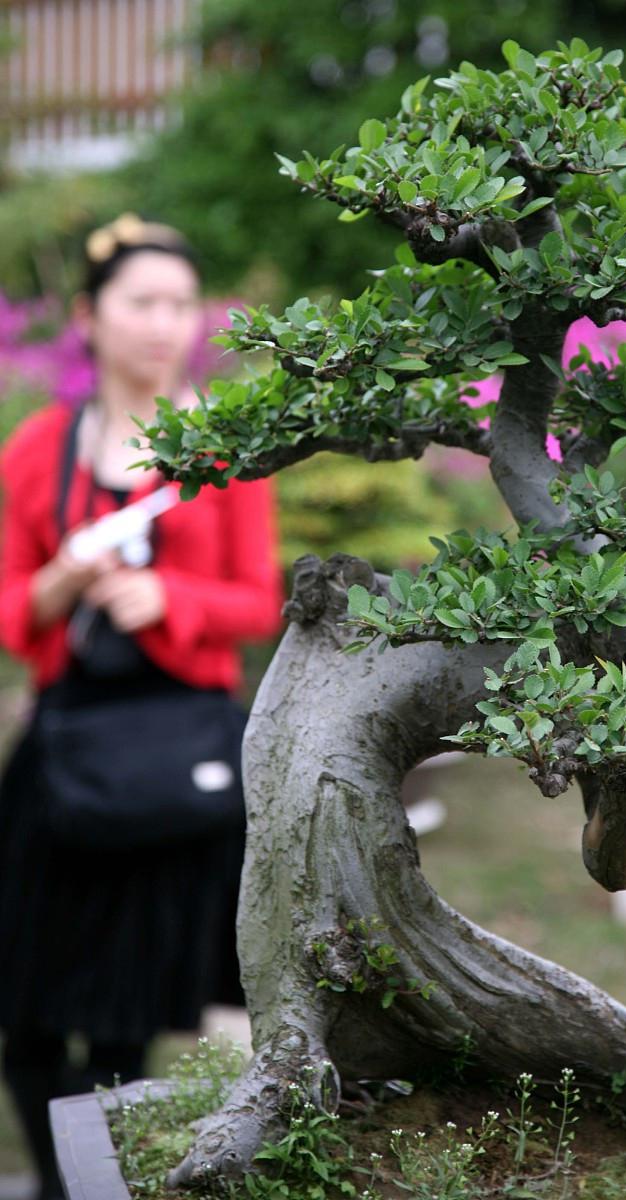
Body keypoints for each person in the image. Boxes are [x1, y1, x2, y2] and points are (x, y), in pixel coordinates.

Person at [0, 214, 283, 1200]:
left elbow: (259, 598)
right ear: (88, 317)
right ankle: (54, 1182)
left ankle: (102, 1189)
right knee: (25, 1004)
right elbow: (10, 610)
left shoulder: (223, 448)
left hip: (171, 752)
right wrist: (63, 582)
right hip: (64, 749)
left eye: (180, 304)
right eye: (141, 303)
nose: (165, 324)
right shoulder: (41, 448)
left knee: (124, 1016)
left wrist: (172, 599)